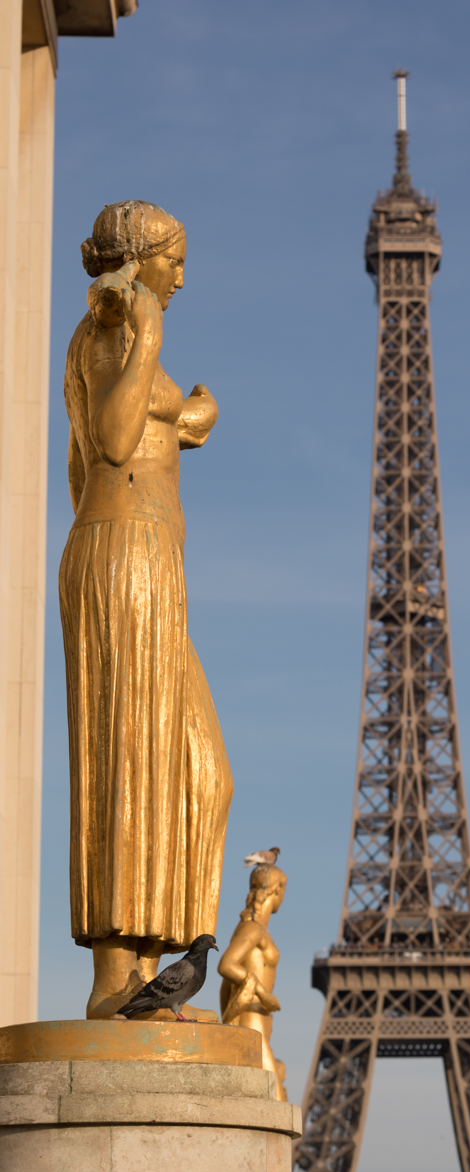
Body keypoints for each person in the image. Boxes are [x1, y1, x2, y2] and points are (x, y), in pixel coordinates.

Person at [60, 200, 233, 1019]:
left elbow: (167, 422)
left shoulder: (126, 338)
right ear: (141, 259)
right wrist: (153, 339)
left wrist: (194, 411)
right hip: (123, 558)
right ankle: (114, 982)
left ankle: (155, 970)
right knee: (129, 758)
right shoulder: (112, 330)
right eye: (175, 259)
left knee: (200, 775)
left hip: (156, 569)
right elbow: (120, 435)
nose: (183, 275)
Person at [218, 864, 287, 1097]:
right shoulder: (252, 929)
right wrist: (264, 994)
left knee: (270, 1101)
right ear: (276, 890)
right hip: (252, 1017)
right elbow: (226, 965)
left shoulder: (257, 929)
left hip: (259, 1018)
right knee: (275, 1099)